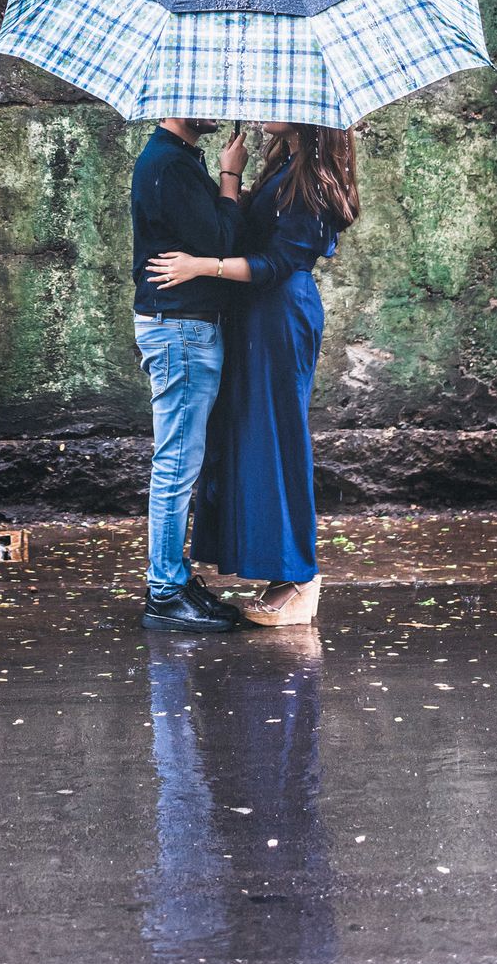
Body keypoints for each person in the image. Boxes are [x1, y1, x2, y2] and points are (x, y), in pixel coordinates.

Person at [147, 121, 360, 627]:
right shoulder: (284, 166)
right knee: (252, 439)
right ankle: (277, 571)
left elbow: (277, 263)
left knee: (278, 440)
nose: (268, 106)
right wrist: (230, 180)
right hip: (254, 315)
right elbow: (252, 233)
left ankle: (300, 580)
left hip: (279, 316)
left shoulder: (314, 180)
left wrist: (203, 265)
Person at [131, 116, 249, 632]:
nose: (215, 108)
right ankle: (164, 591)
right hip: (181, 330)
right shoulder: (171, 167)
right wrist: (231, 177)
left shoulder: (173, 162)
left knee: (182, 459)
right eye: (202, 98)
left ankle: (174, 579)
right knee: (177, 463)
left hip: (183, 326)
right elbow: (221, 242)